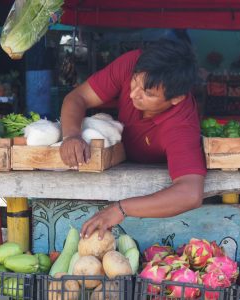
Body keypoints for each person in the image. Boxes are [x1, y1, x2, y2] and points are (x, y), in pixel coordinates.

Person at [59, 39, 207, 240]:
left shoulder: (182, 125)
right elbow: (77, 97)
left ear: (176, 98)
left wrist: (121, 209)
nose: (133, 94)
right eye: (134, 82)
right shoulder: (133, 64)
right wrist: (71, 135)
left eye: (148, 93)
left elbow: (190, 193)